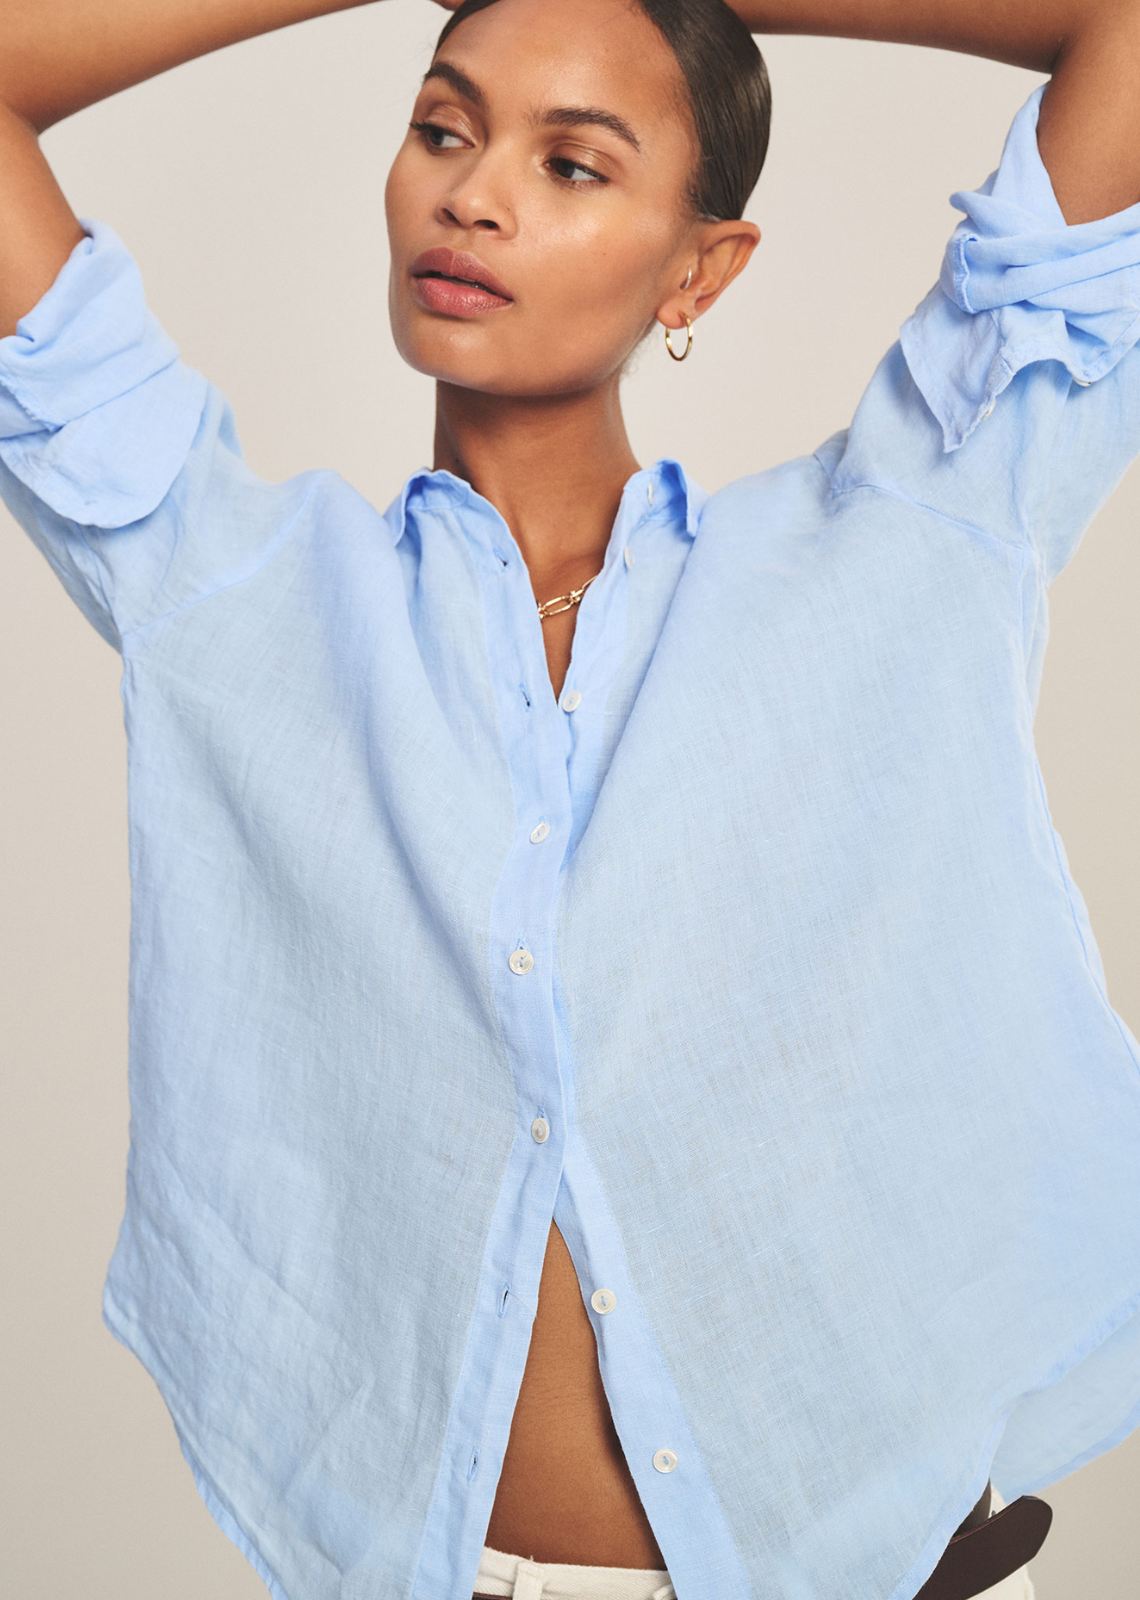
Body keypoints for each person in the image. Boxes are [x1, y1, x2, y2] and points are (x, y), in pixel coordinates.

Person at [3, 0, 1140, 1596]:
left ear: (700, 272)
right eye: (445, 129)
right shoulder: (237, 596)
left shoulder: (908, 531)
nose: (474, 196)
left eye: (575, 163)